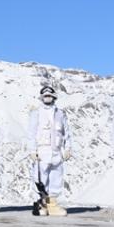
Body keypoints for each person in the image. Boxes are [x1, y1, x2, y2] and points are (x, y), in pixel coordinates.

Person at [27, 84, 70, 216]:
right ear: (42, 98)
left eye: (50, 96)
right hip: (42, 152)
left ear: (54, 97)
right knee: (41, 179)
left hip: (56, 151)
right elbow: (31, 133)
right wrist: (32, 150)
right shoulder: (36, 113)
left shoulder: (60, 114)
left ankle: (52, 204)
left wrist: (67, 148)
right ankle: (40, 203)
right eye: (45, 96)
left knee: (56, 178)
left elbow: (66, 133)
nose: (48, 98)